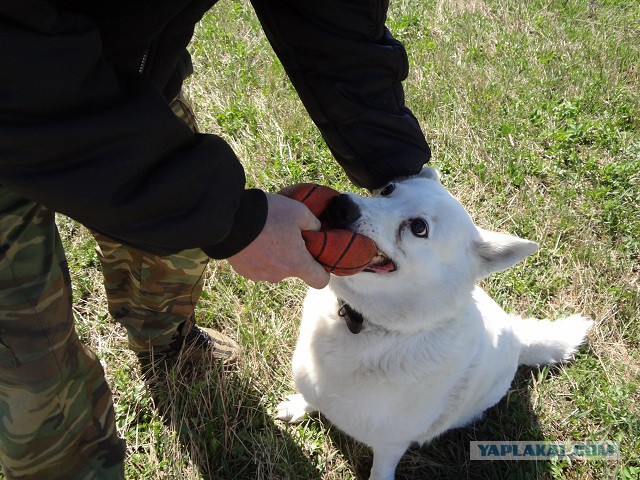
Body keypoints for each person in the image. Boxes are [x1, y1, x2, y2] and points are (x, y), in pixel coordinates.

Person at [0, 0, 430, 478]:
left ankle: (164, 339)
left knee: (179, 234)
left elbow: (331, 15)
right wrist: (232, 222)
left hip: (124, 82)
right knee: (30, 375)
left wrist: (405, 175)